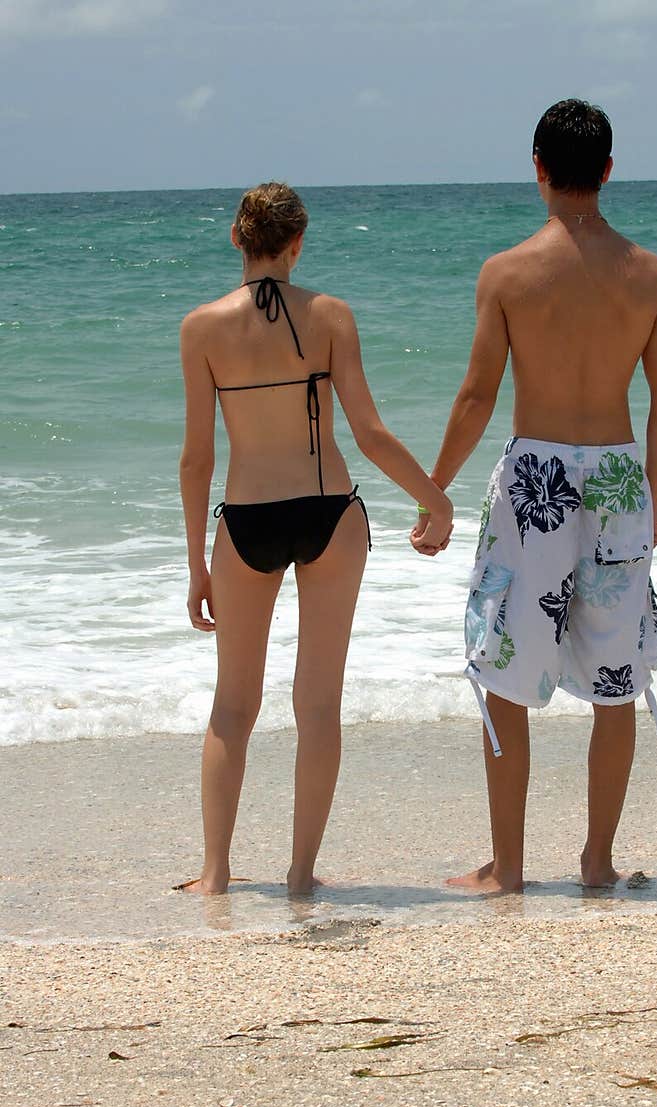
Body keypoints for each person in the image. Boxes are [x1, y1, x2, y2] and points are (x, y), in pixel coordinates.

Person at [412, 100, 657, 893]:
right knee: (613, 680)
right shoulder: (650, 274)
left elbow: (475, 397)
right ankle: (596, 860)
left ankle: (511, 867)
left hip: (536, 485)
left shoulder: (507, 272)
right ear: (606, 169)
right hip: (616, 477)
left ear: (536, 166)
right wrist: (652, 496)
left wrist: (434, 495)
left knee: (505, 673)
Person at [178, 181, 452, 894]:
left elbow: (196, 459)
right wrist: (435, 500)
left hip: (246, 520)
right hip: (329, 512)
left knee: (233, 706)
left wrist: (193, 565)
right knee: (318, 704)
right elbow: (369, 432)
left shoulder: (201, 328)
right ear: (297, 244)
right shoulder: (330, 314)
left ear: (237, 239)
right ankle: (301, 873)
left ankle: (214, 875)